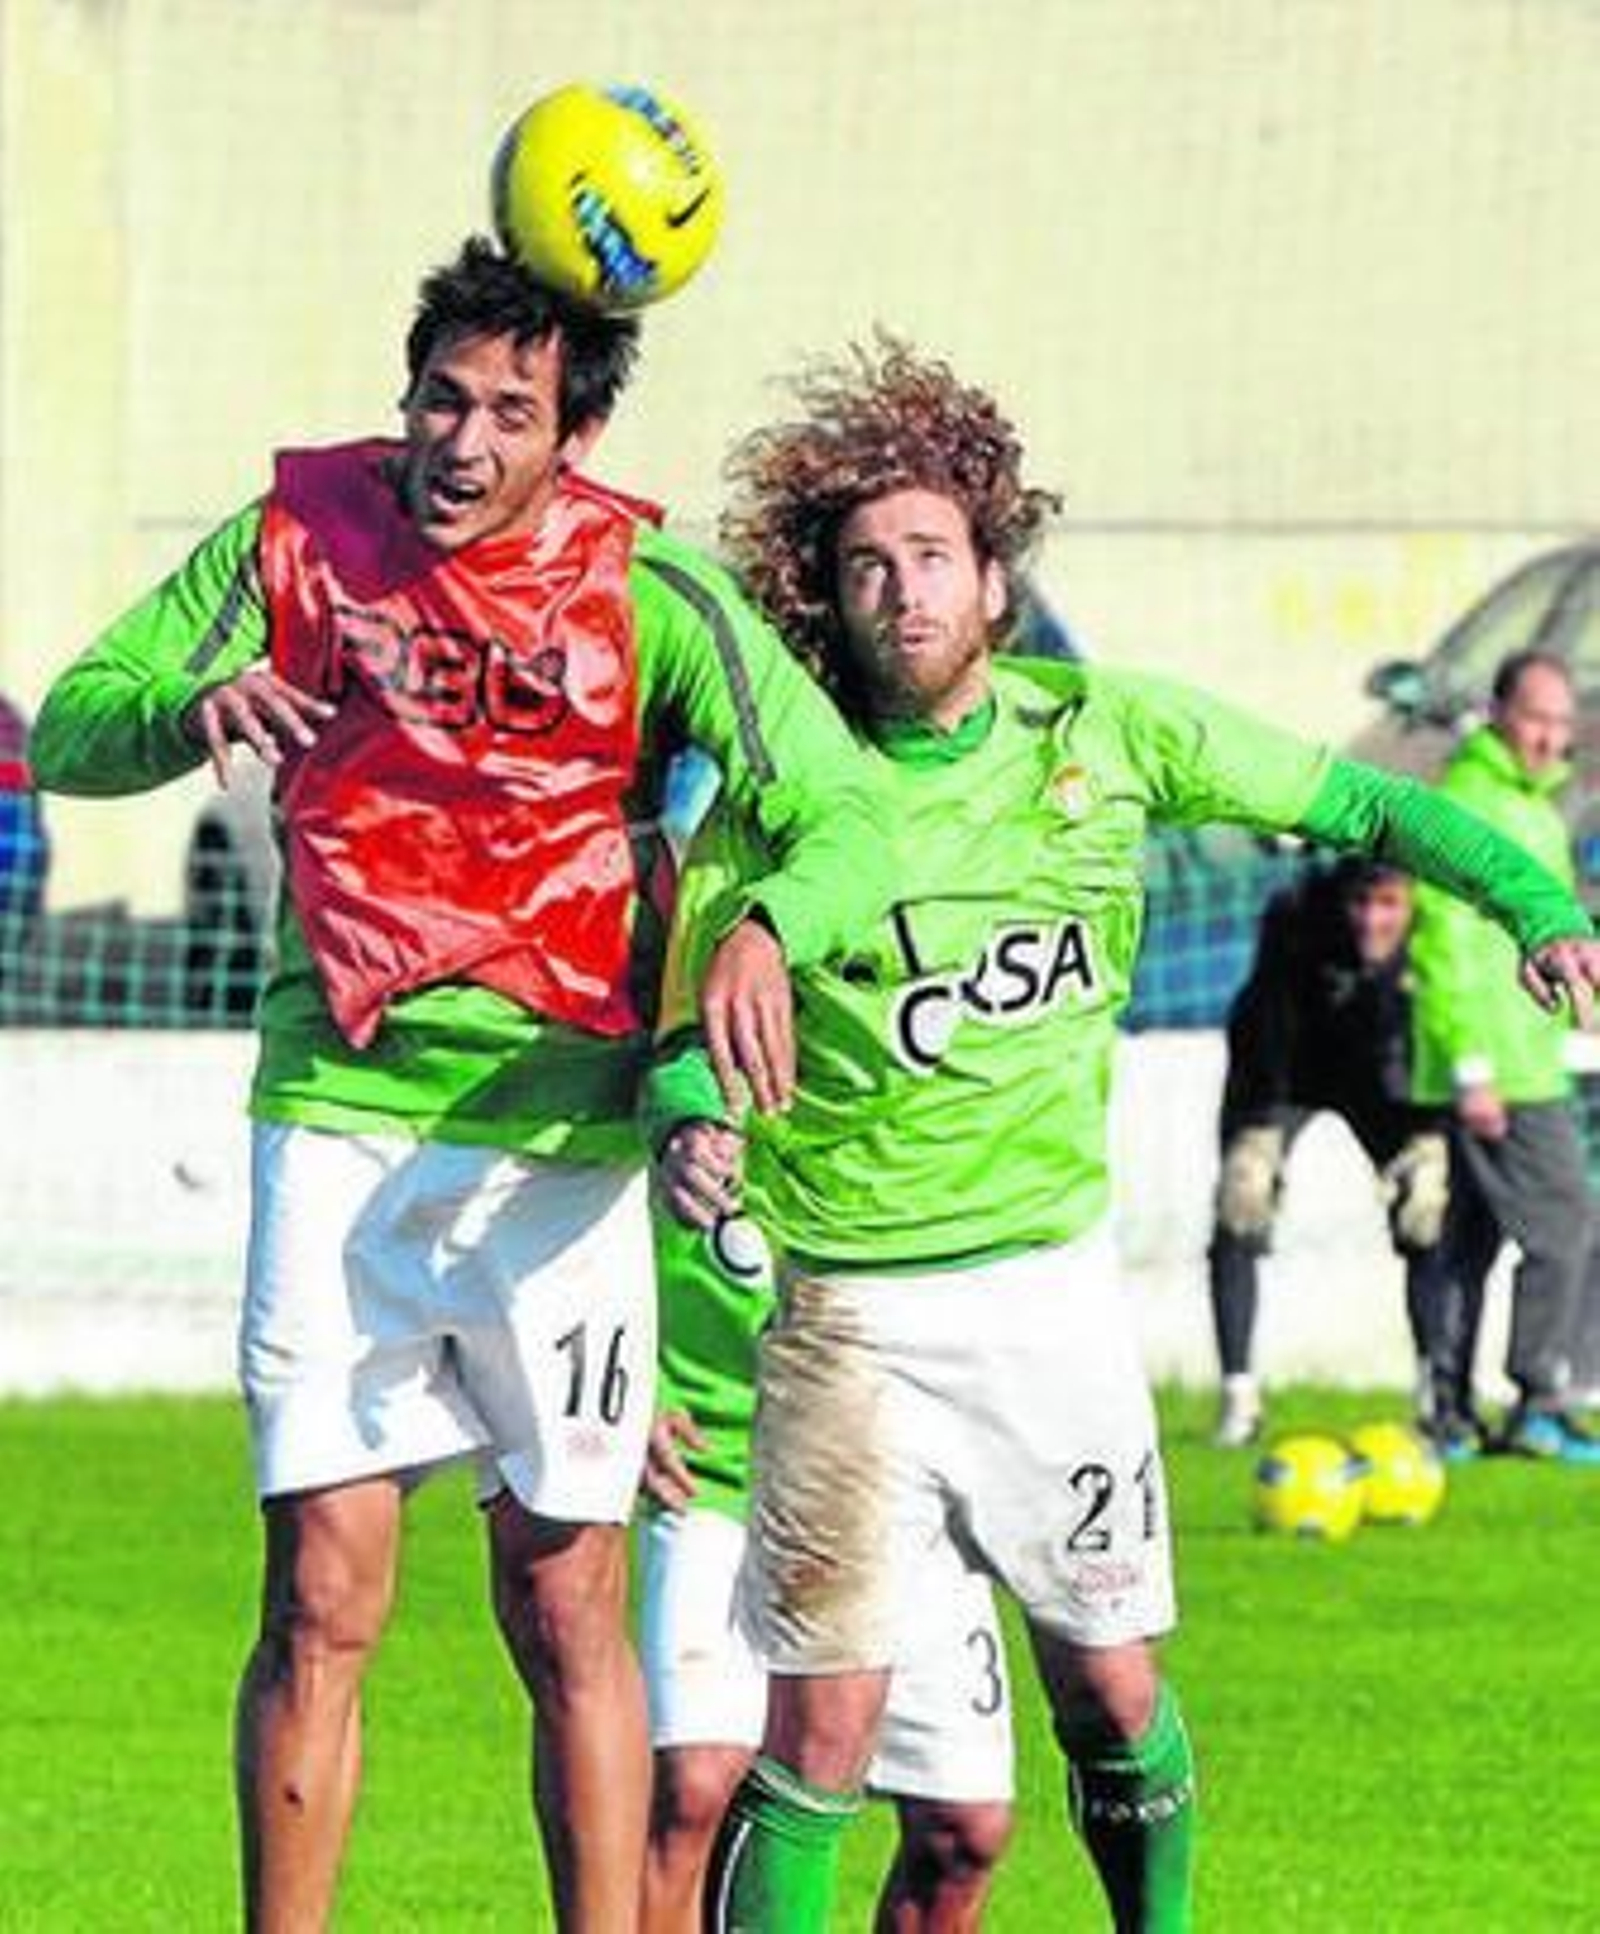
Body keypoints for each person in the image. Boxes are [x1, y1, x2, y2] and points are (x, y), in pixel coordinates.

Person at [644, 339, 1600, 1934]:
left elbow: (1369, 805)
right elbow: (692, 1033)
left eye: (932, 556)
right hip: (845, 1318)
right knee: (817, 1732)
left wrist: (1537, 901)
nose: (902, 592)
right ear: (830, 598)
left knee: (1111, 1683)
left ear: (996, 577)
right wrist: (691, 1123)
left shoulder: (1110, 734)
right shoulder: (789, 797)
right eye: (866, 566)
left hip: (1046, 1300)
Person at [30, 238, 894, 1932]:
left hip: (560, 1159)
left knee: (563, 1594)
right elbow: (70, 719)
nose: (464, 437)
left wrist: (768, 926)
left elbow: (845, 805)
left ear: (569, 437)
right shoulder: (293, 539)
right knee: (321, 1596)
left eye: (512, 408)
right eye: (443, 393)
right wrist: (190, 703)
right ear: (403, 393)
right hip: (338, 1123)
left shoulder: (654, 593)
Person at [640, 1209, 1015, 1933]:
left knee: (963, 1827)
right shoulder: (676, 1103)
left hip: (900, 1483)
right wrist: (636, 1378)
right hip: (718, 1471)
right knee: (696, 1787)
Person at [1409, 649, 1600, 1462]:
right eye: (1535, 718)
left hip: (1530, 1059)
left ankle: (1449, 1414)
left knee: (1470, 1244)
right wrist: (1471, 1066)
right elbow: (1442, 941)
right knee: (1565, 1227)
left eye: (1561, 723)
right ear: (1496, 713)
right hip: (1498, 1072)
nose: (1549, 738)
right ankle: (1538, 1400)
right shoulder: (1471, 801)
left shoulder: (1540, 811)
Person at [1207, 855, 1451, 1448]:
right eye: (1361, 904)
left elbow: (1444, 1020)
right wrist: (1258, 1124)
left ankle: (1434, 1397)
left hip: (1379, 1079)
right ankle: (1239, 1401)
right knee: (1243, 1197)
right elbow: (1264, 1020)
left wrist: (1427, 1122)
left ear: (1411, 904)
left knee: (1427, 1204)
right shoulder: (1294, 920)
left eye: (1388, 904)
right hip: (1285, 1072)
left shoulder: (1440, 929)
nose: (1372, 920)